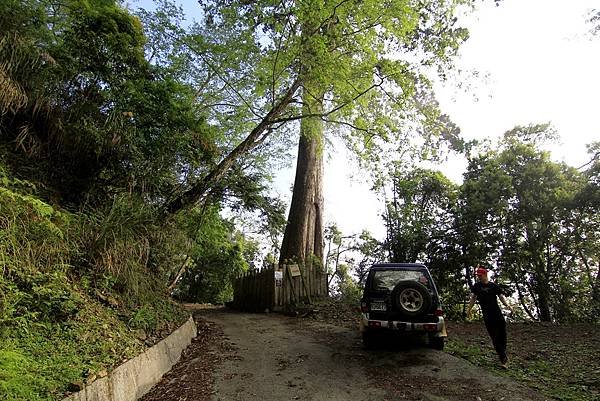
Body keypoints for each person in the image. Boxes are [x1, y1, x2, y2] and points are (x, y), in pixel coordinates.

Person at [466, 266, 512, 368]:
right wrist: (469, 309)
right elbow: (473, 298)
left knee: (502, 335)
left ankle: (503, 354)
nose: (479, 277)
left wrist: (507, 305)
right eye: (478, 276)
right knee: (494, 337)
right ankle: (503, 358)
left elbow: (500, 296)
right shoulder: (477, 286)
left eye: (480, 275)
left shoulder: (493, 286)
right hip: (487, 316)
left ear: (485, 275)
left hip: (497, 314)